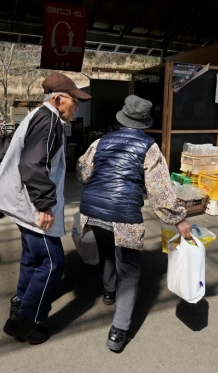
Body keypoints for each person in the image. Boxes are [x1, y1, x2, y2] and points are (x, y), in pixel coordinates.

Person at [76, 94, 192, 353]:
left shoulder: (101, 141)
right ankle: (119, 330)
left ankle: (108, 292)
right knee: (128, 271)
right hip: (123, 214)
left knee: (107, 249)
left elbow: (83, 171)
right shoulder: (149, 147)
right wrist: (179, 219)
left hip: (91, 209)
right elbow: (160, 192)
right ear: (144, 122)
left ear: (123, 117)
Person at [0, 71, 91, 344]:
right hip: (35, 205)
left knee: (33, 258)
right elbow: (33, 165)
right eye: (74, 101)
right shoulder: (49, 122)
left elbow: (5, 155)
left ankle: (21, 301)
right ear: (58, 99)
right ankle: (25, 321)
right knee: (52, 262)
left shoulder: (35, 116)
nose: (76, 107)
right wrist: (44, 205)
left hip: (24, 201)